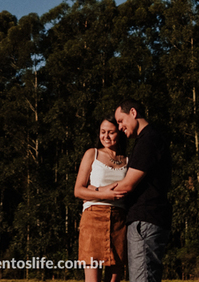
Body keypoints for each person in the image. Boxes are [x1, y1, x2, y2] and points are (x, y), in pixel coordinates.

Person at [111, 98, 172, 282]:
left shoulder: (148, 140)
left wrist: (95, 191)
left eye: (121, 121)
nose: (120, 127)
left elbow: (128, 184)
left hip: (145, 219)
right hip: (149, 219)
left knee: (142, 278)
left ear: (133, 113)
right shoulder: (148, 139)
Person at [73, 117, 129, 282]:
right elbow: (78, 190)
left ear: (119, 133)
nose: (105, 136)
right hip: (93, 217)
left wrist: (94, 188)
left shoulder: (128, 160)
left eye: (111, 132)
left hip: (119, 220)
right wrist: (103, 193)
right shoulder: (92, 154)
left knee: (114, 278)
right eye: (102, 132)